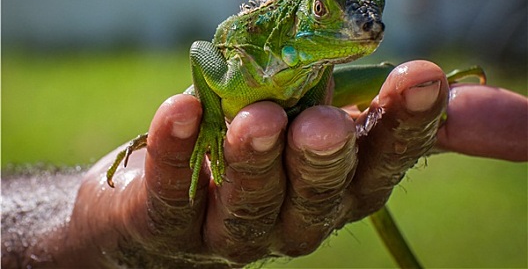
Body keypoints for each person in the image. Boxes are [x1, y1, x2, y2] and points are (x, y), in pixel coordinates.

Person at [2, 60, 527, 268]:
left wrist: (406, 80)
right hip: (255, 122)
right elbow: (203, 63)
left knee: (368, 122)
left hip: (328, 111)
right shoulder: (233, 68)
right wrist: (84, 222)